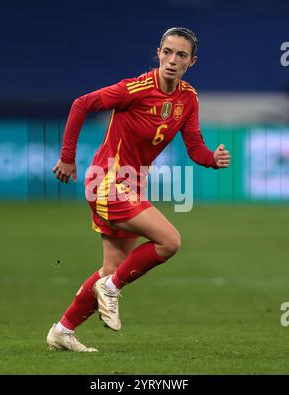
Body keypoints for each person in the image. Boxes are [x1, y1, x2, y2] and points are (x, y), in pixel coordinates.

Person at [46, 27, 231, 352]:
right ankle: (111, 289)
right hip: (106, 181)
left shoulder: (188, 98)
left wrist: (212, 160)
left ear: (192, 61)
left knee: (112, 269)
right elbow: (81, 104)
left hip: (131, 185)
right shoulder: (135, 89)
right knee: (169, 241)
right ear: (158, 52)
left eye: (181, 55)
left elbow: (195, 147)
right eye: (167, 52)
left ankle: (62, 330)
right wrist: (67, 158)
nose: (172, 60)